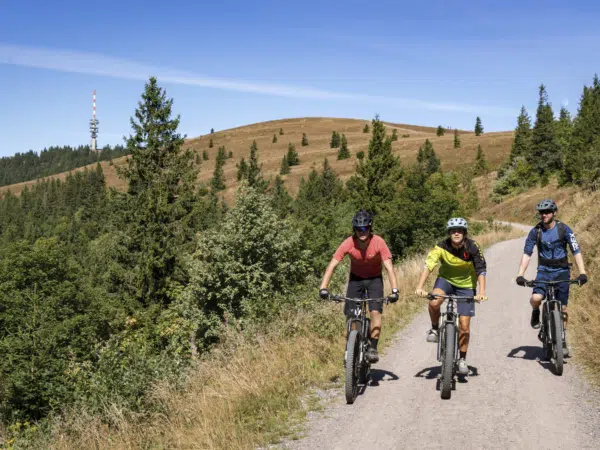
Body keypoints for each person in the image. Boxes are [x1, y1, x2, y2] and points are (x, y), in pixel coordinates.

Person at [319, 210, 399, 364]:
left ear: (370, 228)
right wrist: (323, 287)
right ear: (354, 230)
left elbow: (389, 267)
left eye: (365, 229)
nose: (362, 232)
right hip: (356, 280)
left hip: (374, 279)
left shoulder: (379, 242)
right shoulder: (348, 242)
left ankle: (373, 348)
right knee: (351, 314)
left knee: (375, 311)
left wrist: (395, 290)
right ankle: (351, 349)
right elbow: (332, 265)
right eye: (358, 229)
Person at [414, 217, 487, 375]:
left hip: (467, 285)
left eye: (459, 230)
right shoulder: (441, 246)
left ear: (464, 233)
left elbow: (481, 269)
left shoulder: (473, 247)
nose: (456, 233)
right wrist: (420, 286)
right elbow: (429, 265)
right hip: (445, 281)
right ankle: (434, 329)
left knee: (464, 325)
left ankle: (462, 359)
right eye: (453, 231)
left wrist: (481, 292)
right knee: (434, 302)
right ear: (449, 233)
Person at [515, 199, 587, 357]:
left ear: (554, 213)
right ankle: (535, 312)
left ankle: (562, 340)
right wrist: (521, 274)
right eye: (541, 212)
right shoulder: (536, 231)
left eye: (547, 212)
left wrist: (582, 272)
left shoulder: (564, 229)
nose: (544, 215)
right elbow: (527, 253)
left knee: (563, 309)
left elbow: (576, 251)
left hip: (562, 271)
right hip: (544, 271)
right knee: (535, 298)